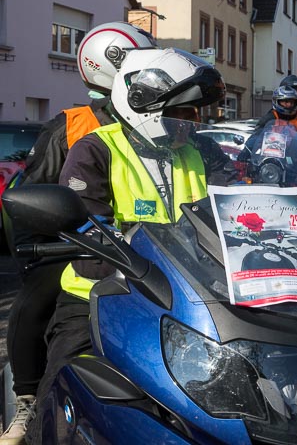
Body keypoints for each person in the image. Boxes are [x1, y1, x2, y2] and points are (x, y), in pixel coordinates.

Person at [28, 48, 229, 444]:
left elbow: (237, 204)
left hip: (193, 303)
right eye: (185, 112)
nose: (194, 121)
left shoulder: (199, 151)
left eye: (195, 113)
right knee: (66, 392)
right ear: (144, 106)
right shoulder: (97, 150)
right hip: (102, 301)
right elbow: (84, 222)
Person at [0, 22, 156, 445]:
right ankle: (28, 399)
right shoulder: (70, 125)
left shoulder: (154, 124)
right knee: (33, 302)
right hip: (72, 246)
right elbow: (32, 191)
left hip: (140, 253)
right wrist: (43, 249)